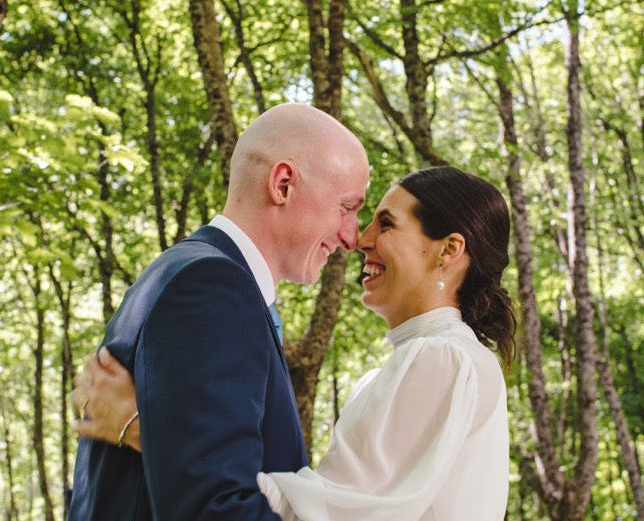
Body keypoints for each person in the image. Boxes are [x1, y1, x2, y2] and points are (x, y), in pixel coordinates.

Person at [75, 166, 517, 520]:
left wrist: (143, 428)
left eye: (386, 224)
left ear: (448, 250)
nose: (360, 240)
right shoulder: (438, 359)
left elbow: (323, 514)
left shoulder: (442, 357)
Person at [64, 102, 370, 521]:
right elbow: (215, 510)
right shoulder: (212, 287)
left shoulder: (187, 271)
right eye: (347, 207)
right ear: (282, 184)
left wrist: (145, 430)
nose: (352, 237)